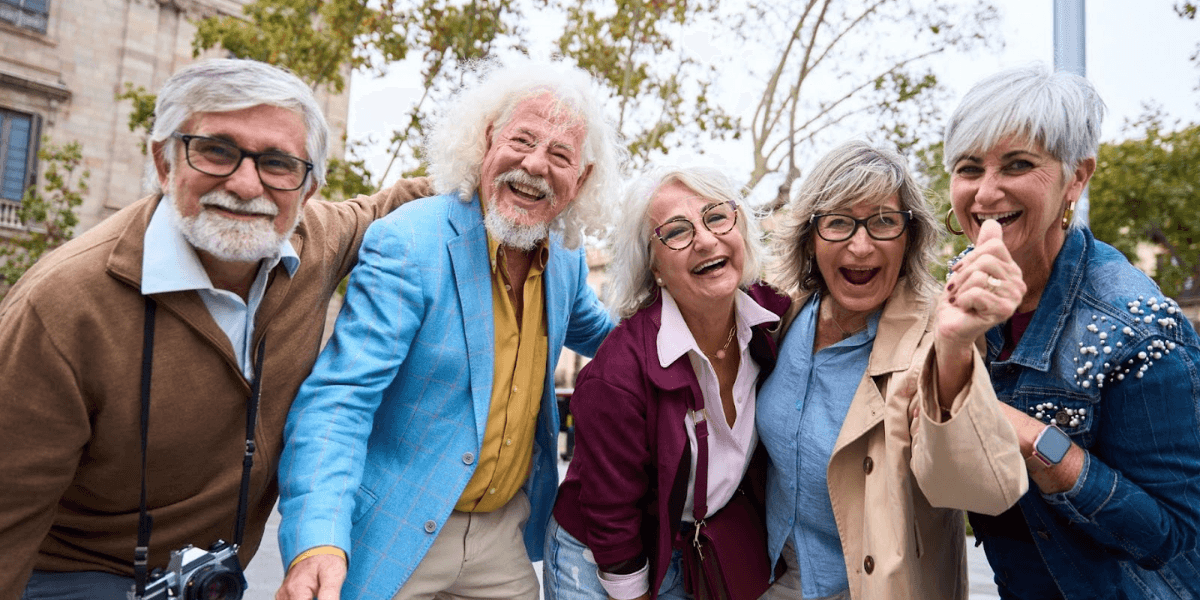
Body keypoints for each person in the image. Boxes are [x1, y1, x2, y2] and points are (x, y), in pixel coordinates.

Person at [0, 58, 432, 599]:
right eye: (217, 150)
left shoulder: (316, 240)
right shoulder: (62, 304)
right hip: (74, 578)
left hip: (213, 579)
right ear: (164, 160)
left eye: (278, 163)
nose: (247, 183)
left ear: (310, 188)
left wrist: (511, 161)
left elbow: (398, 203)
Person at [274, 56, 622, 600]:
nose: (534, 165)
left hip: (504, 540)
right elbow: (339, 400)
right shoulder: (408, 241)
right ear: (487, 140)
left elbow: (615, 340)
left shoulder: (568, 261)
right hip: (394, 528)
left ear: (581, 179)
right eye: (522, 140)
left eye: (560, 155)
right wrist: (317, 540)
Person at [940, 64, 1200, 599]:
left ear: (1076, 178)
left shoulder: (1137, 328)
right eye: (969, 168)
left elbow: (1170, 534)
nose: (986, 194)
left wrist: (1036, 440)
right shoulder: (959, 287)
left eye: (1018, 165)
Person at [756, 140, 1029, 599]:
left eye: (884, 221)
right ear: (810, 236)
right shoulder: (785, 311)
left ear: (910, 236)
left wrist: (955, 347)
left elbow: (974, 487)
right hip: (774, 578)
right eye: (839, 222)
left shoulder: (938, 331)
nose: (861, 246)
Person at [543, 166, 787, 600]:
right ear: (653, 266)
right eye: (676, 231)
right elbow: (611, 514)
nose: (706, 240)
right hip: (599, 555)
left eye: (716, 216)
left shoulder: (774, 321)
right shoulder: (616, 374)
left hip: (689, 542)